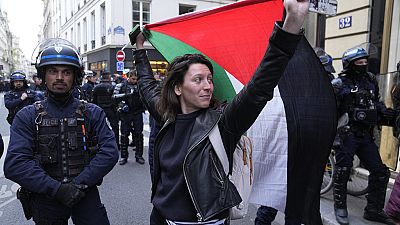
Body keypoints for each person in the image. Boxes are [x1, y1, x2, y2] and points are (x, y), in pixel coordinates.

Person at [134, 0, 309, 224]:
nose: (208, 86)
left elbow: (259, 88)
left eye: (209, 79)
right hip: (160, 218)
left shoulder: (224, 124)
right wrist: (139, 49)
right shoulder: (168, 118)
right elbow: (147, 86)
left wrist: (291, 26)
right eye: (198, 79)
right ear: (178, 88)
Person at [3, 38, 119, 225]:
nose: (59, 77)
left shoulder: (92, 112)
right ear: (43, 75)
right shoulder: (28, 115)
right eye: (52, 71)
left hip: (84, 192)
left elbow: (110, 152)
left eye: (66, 72)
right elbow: (15, 164)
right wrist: (57, 189)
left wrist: (79, 184)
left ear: (75, 76)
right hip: (46, 197)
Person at [331, 46, 396, 225]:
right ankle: (340, 207)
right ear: (350, 64)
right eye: (359, 62)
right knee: (343, 170)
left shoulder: (370, 81)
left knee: (380, 172)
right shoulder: (339, 84)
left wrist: (385, 113)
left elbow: (377, 102)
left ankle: (373, 210)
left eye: (365, 61)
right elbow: (329, 112)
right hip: (347, 134)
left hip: (365, 135)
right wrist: (333, 136)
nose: (364, 65)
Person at [114, 70, 146, 165]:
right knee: (124, 135)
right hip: (126, 113)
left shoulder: (141, 86)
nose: (134, 80)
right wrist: (122, 104)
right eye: (133, 78)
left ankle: (139, 155)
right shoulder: (121, 86)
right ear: (128, 77)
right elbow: (114, 98)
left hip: (137, 112)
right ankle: (124, 156)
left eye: (136, 79)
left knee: (139, 134)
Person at [92, 71, 120, 151]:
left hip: (100, 108)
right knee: (115, 127)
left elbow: (94, 99)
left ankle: (101, 145)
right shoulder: (112, 86)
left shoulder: (97, 87)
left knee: (99, 127)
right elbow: (115, 99)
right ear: (108, 77)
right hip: (111, 108)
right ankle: (116, 144)